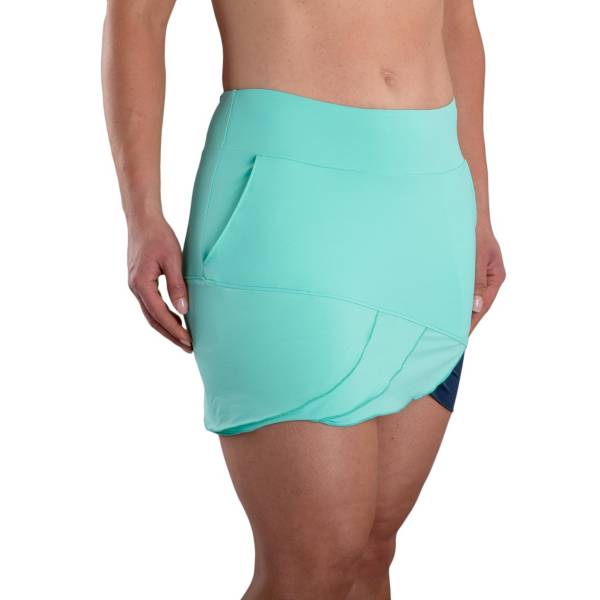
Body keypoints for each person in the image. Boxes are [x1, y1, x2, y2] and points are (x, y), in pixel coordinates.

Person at [101, 1, 505, 598]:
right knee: (314, 564)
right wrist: (142, 215)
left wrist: (479, 210)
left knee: (371, 551)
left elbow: (457, 22)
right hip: (286, 194)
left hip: (434, 200)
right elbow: (136, 15)